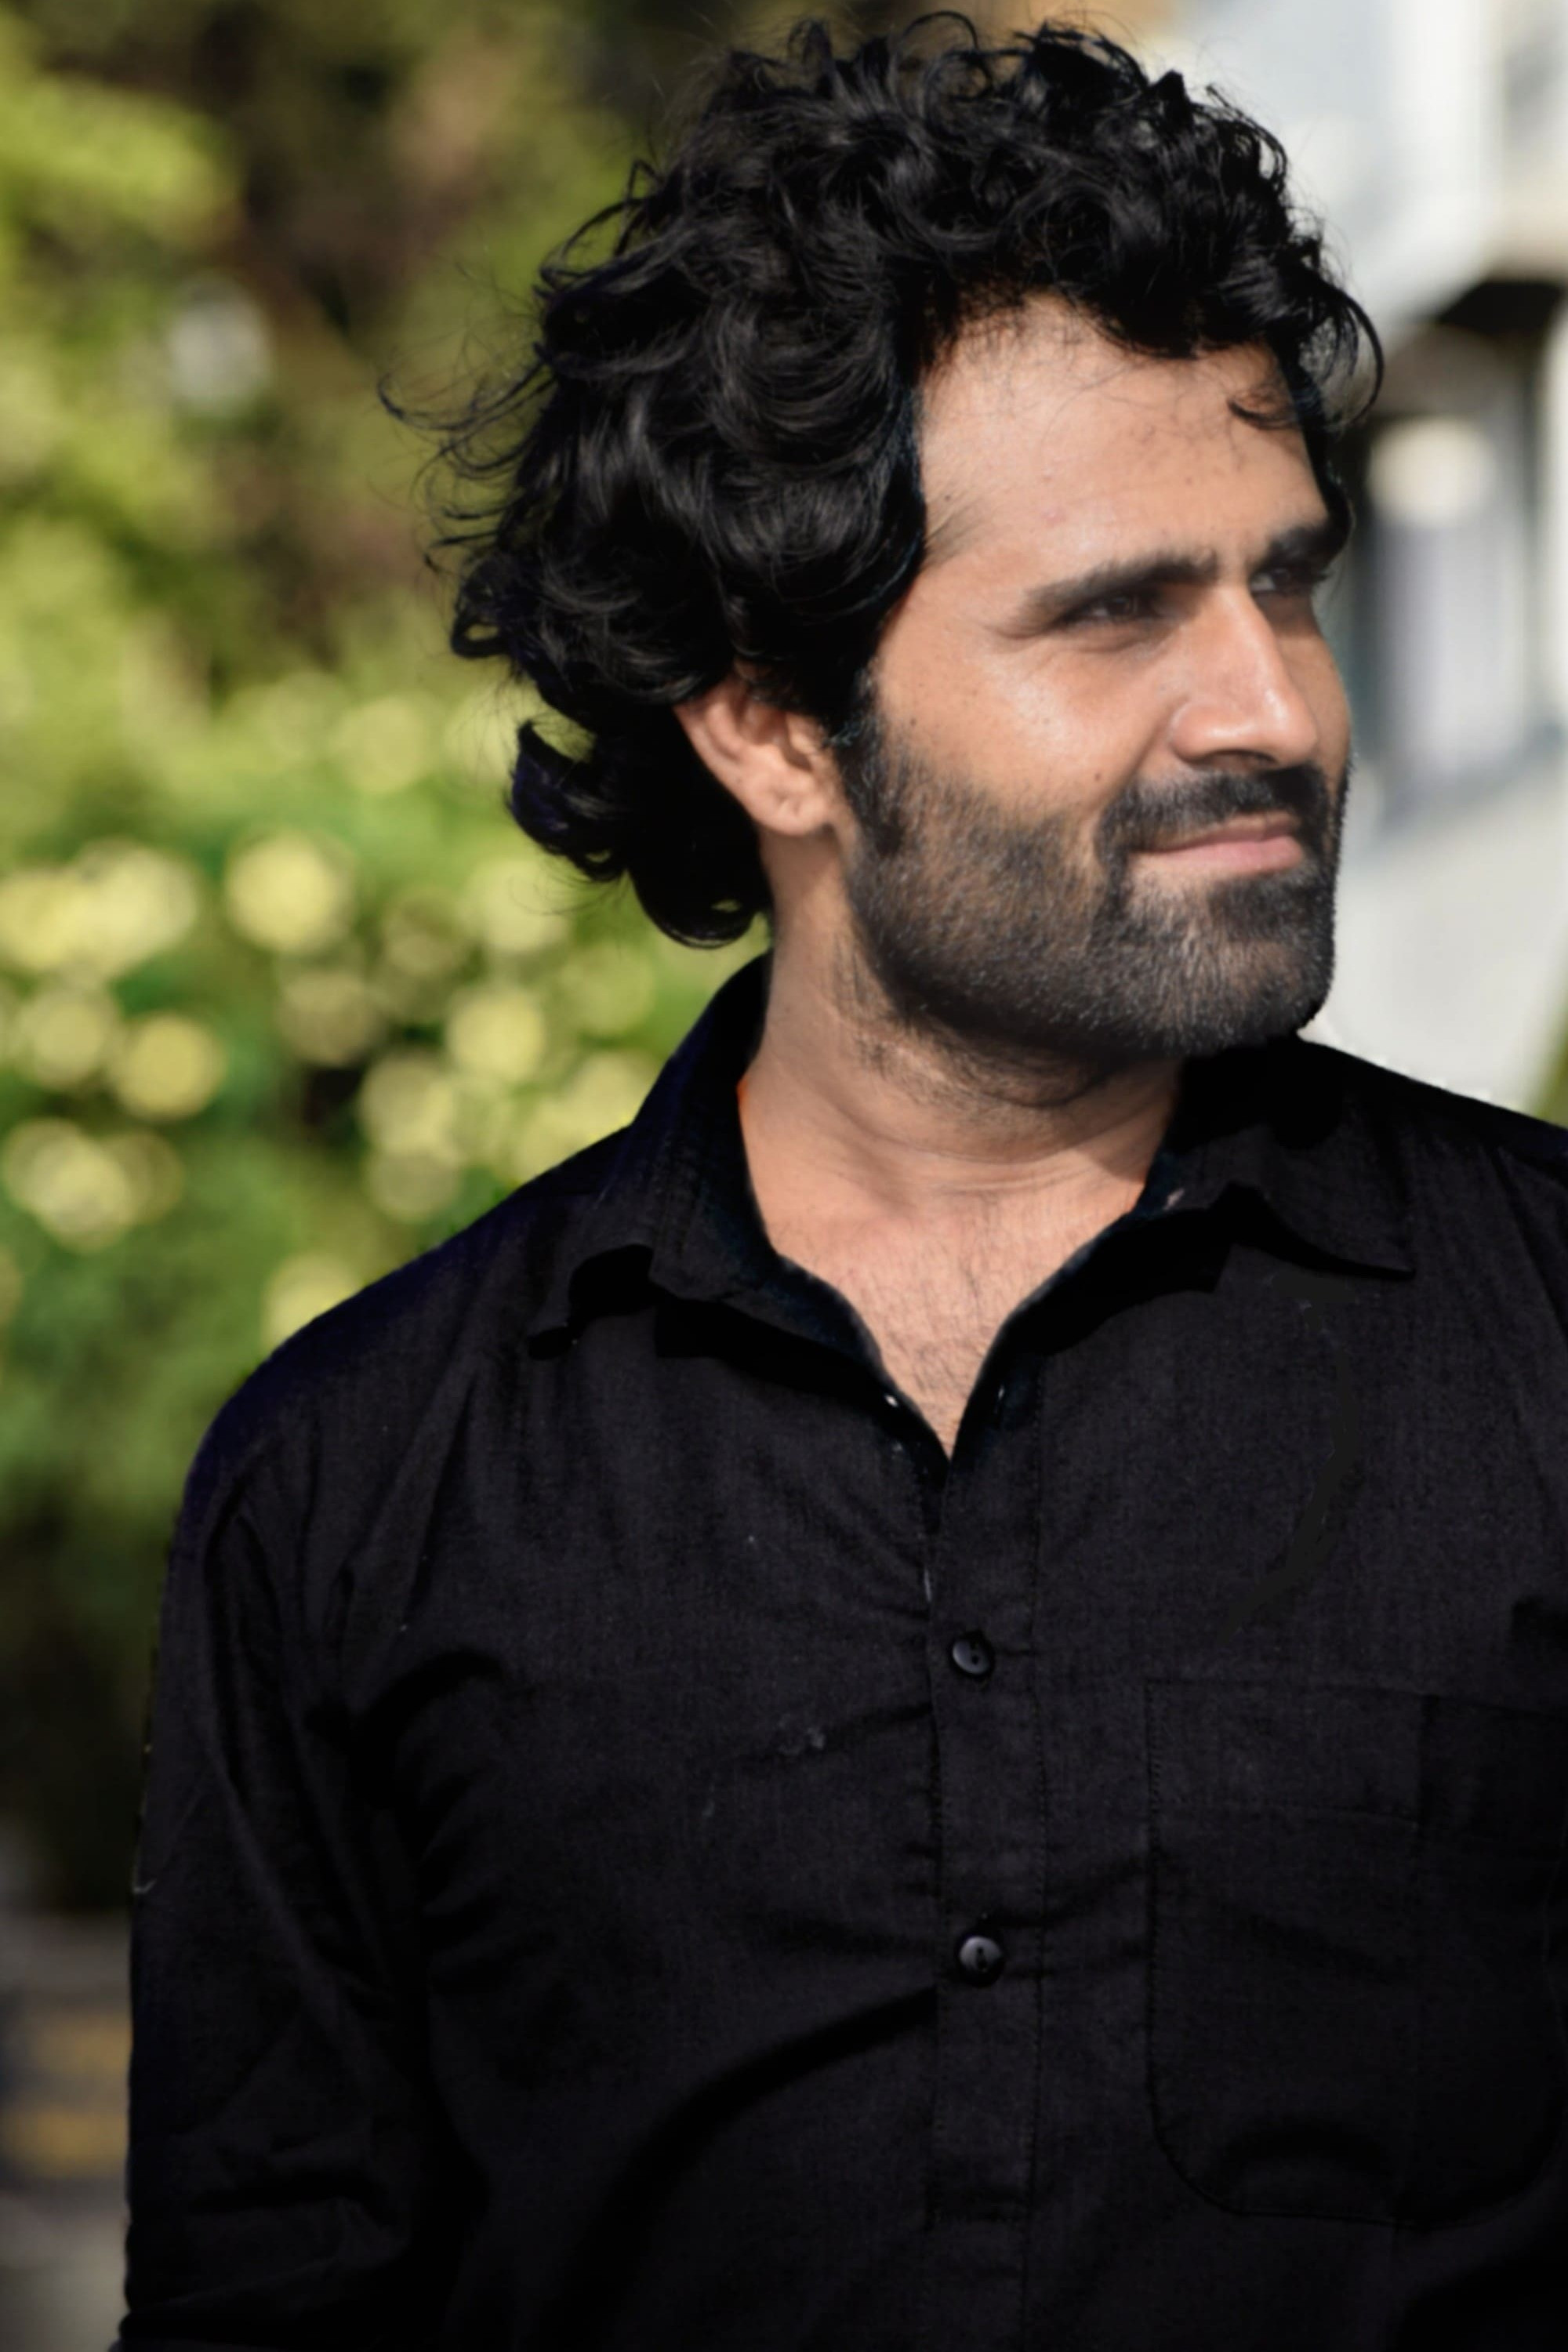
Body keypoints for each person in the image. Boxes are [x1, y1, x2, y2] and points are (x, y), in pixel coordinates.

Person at [118, 16, 1568, 2350]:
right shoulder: (359, 1493)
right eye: (1116, 612)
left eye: (1287, 585)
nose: (1275, 710)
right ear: (773, 726)